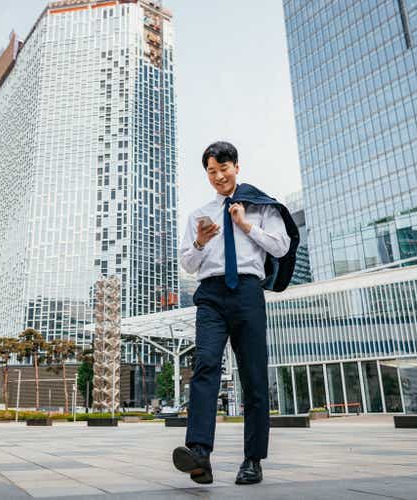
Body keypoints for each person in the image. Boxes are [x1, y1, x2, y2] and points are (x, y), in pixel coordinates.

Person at [172, 141, 299, 485]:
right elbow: (187, 263)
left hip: (247, 291)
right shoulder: (200, 215)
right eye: (211, 171)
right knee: (205, 365)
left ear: (236, 167)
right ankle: (199, 453)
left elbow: (282, 245)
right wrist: (199, 242)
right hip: (211, 294)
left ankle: (253, 460)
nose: (218, 176)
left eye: (223, 168)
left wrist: (245, 225)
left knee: (254, 377)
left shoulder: (260, 206)